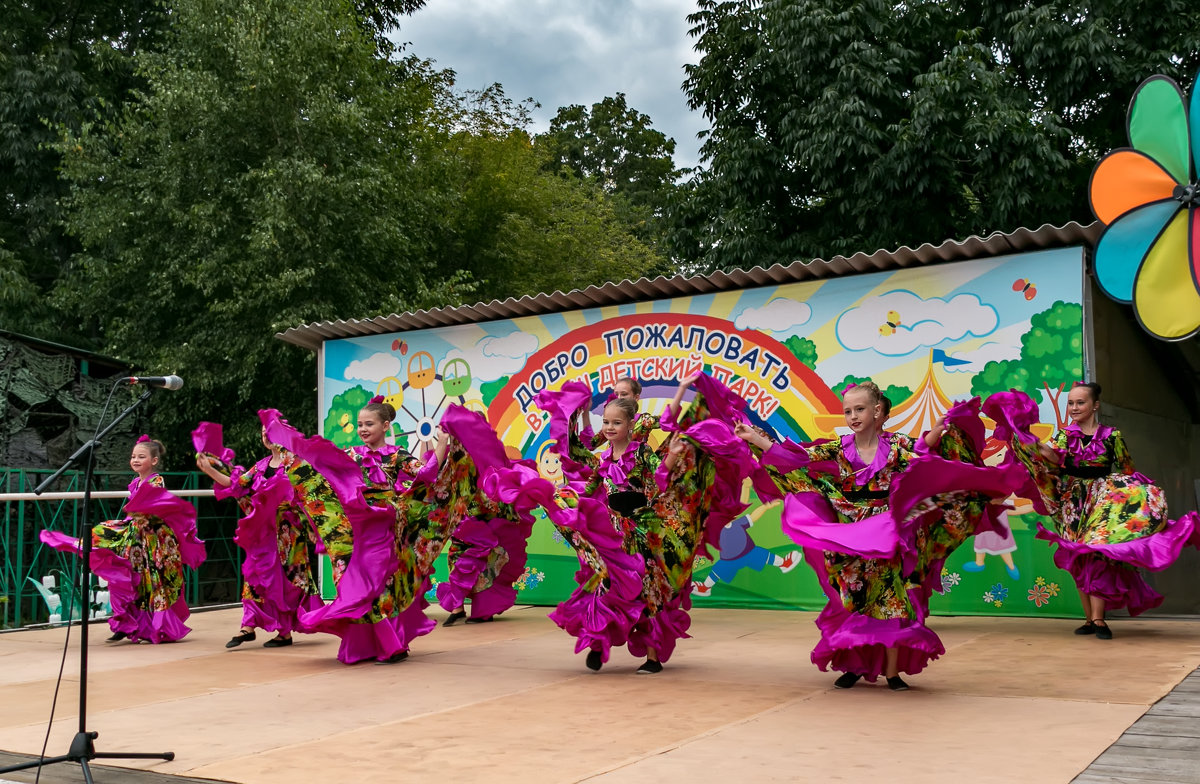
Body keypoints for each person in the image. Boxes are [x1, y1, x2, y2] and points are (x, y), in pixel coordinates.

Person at [737, 382, 1019, 690]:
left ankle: (893, 672)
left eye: (859, 409)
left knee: (893, 602)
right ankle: (853, 665)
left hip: (886, 529)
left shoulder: (897, 446)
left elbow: (927, 460)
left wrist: (945, 441)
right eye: (847, 411)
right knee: (854, 602)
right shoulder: (839, 446)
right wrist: (756, 440)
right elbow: (800, 459)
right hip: (848, 532)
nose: (853, 416)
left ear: (876, 410)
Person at [514, 373, 755, 674]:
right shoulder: (603, 459)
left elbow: (657, 475)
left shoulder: (641, 450)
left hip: (644, 529)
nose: (610, 428)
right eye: (606, 422)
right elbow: (589, 490)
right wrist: (564, 503)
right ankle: (597, 643)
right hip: (616, 529)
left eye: (616, 423)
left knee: (649, 590)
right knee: (604, 581)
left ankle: (653, 657)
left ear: (631, 424)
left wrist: (673, 454)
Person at [984, 382, 1199, 639]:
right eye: (1071, 403)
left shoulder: (1112, 436)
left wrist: (1138, 497)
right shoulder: (1065, 435)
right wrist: (1022, 435)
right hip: (1072, 501)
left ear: (1095, 405)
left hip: (1104, 498)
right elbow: (1052, 456)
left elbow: (1126, 469)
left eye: (1080, 402)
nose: (1074, 408)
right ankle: (1089, 620)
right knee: (1080, 556)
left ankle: (1099, 620)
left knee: (1098, 551)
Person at [40, 435, 205, 643]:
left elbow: (154, 509)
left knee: (154, 583)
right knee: (125, 577)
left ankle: (158, 628)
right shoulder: (135, 483)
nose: (135, 460)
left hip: (153, 542)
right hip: (136, 539)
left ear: (154, 461)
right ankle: (125, 624)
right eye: (133, 456)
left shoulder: (156, 481)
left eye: (141, 456)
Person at [193, 418, 322, 650]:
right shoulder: (260, 467)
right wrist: (210, 469)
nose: (266, 435)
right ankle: (248, 626)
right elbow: (236, 487)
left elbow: (309, 498)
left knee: (286, 582)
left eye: (271, 431)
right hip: (263, 534)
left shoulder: (296, 464)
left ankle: (284, 633)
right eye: (263, 431)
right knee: (254, 575)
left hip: (288, 534)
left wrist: (313, 527)